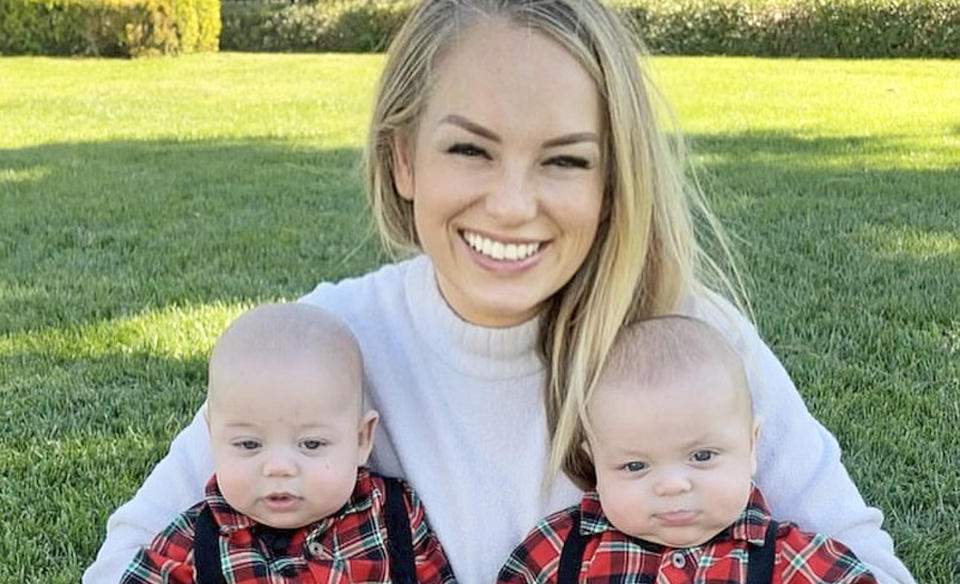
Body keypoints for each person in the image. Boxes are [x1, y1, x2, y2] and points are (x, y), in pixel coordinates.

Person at [84, 1, 915, 583]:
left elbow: (867, 566)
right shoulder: (328, 340)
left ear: (612, 180)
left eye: (564, 160)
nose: (513, 205)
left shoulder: (690, 340)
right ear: (404, 158)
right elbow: (127, 559)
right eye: (471, 152)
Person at [498, 315, 878, 584]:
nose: (672, 485)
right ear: (595, 460)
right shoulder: (559, 552)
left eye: (702, 456)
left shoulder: (791, 562)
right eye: (634, 465)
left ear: (750, 446)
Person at [119, 303, 455, 584]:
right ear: (212, 439)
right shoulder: (191, 546)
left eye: (310, 444)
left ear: (361, 439)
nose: (278, 467)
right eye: (249, 445)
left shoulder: (394, 518)